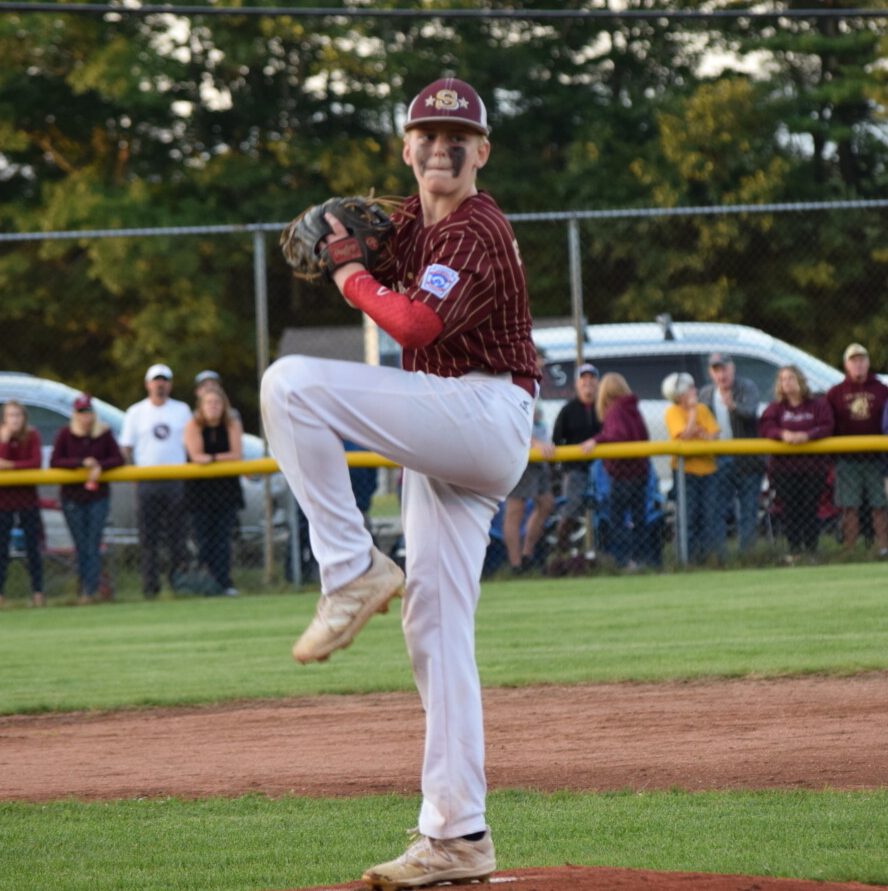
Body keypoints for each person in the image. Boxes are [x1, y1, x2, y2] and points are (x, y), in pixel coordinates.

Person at [260, 76, 538, 889]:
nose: (441, 146)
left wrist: (350, 273)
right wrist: (352, 241)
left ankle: (349, 570)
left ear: (482, 151)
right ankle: (457, 835)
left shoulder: (477, 230)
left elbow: (412, 323)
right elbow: (372, 247)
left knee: (289, 384)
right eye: (427, 133)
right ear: (407, 147)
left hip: (484, 413)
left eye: (459, 136)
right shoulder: (416, 219)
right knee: (436, 627)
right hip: (451, 428)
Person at [119, 363, 193, 598]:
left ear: (170, 384)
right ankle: (151, 587)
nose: (160, 384)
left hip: (176, 480)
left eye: (164, 380)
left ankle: (178, 583)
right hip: (148, 481)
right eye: (156, 380)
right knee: (149, 538)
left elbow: (190, 443)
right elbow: (127, 448)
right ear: (148, 384)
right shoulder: (136, 412)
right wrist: (133, 475)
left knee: (177, 536)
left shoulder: (181, 410)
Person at [49, 394, 124, 603]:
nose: (85, 417)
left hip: (98, 496)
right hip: (73, 497)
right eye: (81, 412)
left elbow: (118, 459)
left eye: (88, 412)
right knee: (81, 545)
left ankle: (91, 590)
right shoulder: (66, 434)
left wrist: (100, 466)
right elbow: (56, 461)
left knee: (93, 544)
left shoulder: (104, 433)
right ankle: (86, 589)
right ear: (75, 414)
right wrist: (81, 462)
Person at [758, 366, 833, 563]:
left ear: (800, 380)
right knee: (790, 510)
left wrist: (807, 435)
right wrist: (783, 434)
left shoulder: (817, 405)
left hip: (813, 469)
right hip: (784, 470)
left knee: (810, 509)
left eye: (791, 378)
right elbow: (766, 427)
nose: (787, 382)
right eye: (783, 379)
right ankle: (794, 551)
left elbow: (827, 426)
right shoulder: (776, 408)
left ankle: (811, 550)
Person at [579, 372, 651, 569]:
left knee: (617, 521)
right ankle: (640, 560)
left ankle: (622, 561)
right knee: (639, 519)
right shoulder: (633, 408)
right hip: (640, 473)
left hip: (623, 475)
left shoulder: (615, 410)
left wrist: (597, 439)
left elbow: (617, 436)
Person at [698, 352, 765, 555]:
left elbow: (750, 412)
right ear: (711, 373)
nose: (722, 374)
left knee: (748, 510)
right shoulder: (706, 394)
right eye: (716, 370)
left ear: (733, 368)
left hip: (748, 460)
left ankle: (747, 555)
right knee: (715, 509)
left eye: (724, 369)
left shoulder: (747, 387)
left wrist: (732, 406)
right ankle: (720, 556)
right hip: (719, 460)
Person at [825, 343, 888, 557]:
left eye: (862, 360)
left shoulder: (882, 390)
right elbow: (828, 424)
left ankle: (883, 548)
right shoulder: (835, 393)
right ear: (846, 365)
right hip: (848, 459)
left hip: (877, 459)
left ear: (868, 363)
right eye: (854, 361)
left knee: (879, 504)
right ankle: (850, 549)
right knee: (849, 506)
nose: (858, 364)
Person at [184, 384, 245, 596]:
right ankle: (205, 584)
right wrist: (217, 459)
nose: (213, 406)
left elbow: (237, 454)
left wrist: (211, 459)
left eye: (217, 402)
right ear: (201, 406)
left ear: (224, 405)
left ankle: (224, 583)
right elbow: (196, 456)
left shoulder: (232, 424)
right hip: (199, 492)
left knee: (223, 540)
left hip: (226, 490)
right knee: (204, 540)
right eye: (209, 402)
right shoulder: (193, 425)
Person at [503, 348, 556, 574]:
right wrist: (534, 442)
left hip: (537, 456)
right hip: (521, 455)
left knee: (546, 504)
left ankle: (527, 555)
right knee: (516, 509)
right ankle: (516, 565)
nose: (542, 363)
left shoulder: (534, 385)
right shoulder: (517, 383)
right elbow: (510, 422)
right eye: (538, 358)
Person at [662, 372, 721, 564]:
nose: (694, 391)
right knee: (688, 518)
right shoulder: (673, 412)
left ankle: (707, 559)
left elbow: (713, 435)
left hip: (709, 471)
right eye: (689, 388)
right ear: (679, 394)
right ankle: (686, 561)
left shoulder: (704, 409)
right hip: (686, 473)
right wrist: (693, 416)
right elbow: (684, 437)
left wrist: (700, 431)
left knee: (709, 517)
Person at [551, 363, 602, 555]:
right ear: (577, 383)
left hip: (602, 468)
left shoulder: (603, 407)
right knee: (571, 510)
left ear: (597, 382)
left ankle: (606, 555)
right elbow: (557, 439)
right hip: (576, 469)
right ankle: (562, 553)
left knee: (605, 510)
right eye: (584, 378)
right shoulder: (568, 410)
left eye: (592, 378)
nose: (588, 382)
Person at [0, 400, 44, 607]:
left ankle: (38, 593)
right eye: (10, 415)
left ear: (24, 417)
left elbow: (35, 463)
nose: (14, 419)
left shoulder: (32, 436)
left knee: (33, 549)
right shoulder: (1, 437)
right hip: (3, 502)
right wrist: (5, 442)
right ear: (4, 418)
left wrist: (9, 466)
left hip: (27, 500)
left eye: (18, 415)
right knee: (1, 551)